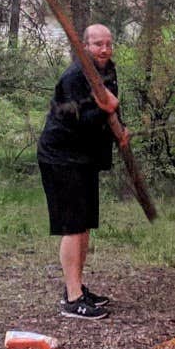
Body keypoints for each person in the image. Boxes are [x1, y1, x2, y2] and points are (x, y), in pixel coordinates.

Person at [37, 24, 124, 319]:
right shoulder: (74, 77)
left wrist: (120, 130)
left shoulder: (108, 70)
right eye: (98, 44)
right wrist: (106, 108)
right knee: (72, 226)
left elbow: (111, 107)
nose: (104, 49)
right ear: (85, 47)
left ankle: (76, 287)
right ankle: (73, 301)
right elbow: (81, 120)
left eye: (108, 44)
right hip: (61, 156)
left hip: (84, 158)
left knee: (84, 224)